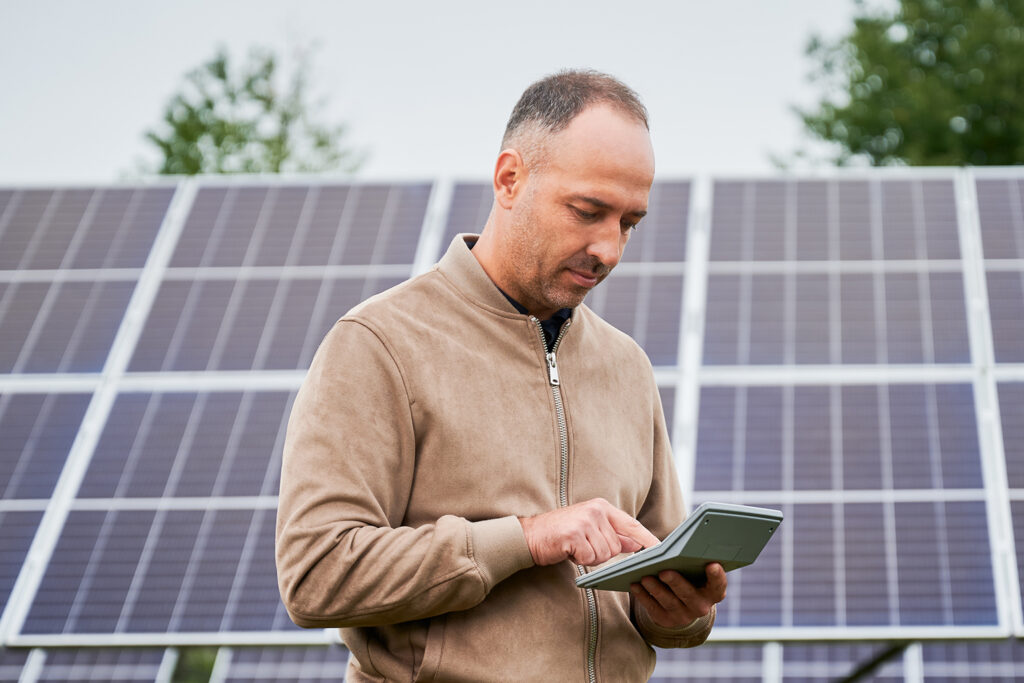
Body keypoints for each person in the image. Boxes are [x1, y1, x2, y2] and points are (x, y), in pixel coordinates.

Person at [276, 69, 727, 682]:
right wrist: (527, 539)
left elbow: (655, 591)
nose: (609, 250)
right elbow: (316, 574)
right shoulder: (379, 343)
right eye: (588, 211)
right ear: (510, 178)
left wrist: (679, 613)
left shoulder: (627, 366)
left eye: (628, 223)